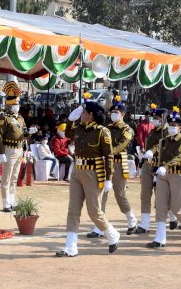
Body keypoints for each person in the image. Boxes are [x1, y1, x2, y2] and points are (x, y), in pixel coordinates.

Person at [55, 100, 120, 257]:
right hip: (77, 171)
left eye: (83, 112)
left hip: (93, 173)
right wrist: (70, 121)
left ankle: (111, 233)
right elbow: (68, 134)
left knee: (94, 211)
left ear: (90, 115)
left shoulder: (102, 132)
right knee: (73, 210)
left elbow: (108, 156)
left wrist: (108, 178)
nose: (81, 114)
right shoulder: (80, 128)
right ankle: (71, 247)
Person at [88, 97, 138, 238]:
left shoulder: (127, 129)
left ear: (123, 114)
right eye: (112, 112)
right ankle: (99, 227)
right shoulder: (107, 128)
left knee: (119, 194)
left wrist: (107, 153)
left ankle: (131, 220)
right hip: (104, 162)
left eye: (117, 112)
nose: (114, 114)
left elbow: (122, 144)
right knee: (100, 194)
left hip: (118, 163)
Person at [147, 107, 181, 248]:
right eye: (170, 125)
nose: (172, 128)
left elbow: (179, 157)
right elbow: (157, 149)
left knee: (176, 209)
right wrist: (150, 151)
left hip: (177, 175)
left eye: (174, 126)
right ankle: (160, 238)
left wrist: (165, 167)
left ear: (180, 127)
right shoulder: (164, 140)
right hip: (163, 176)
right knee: (160, 207)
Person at [0, 82, 26, 212]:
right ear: (9, 105)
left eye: (18, 104)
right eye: (14, 104)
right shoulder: (4, 118)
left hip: (19, 149)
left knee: (14, 178)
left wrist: (30, 131)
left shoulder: (20, 118)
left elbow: (23, 130)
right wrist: (1, 152)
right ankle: (5, 203)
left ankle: (12, 201)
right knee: (6, 178)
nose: (17, 106)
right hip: (8, 149)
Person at [138, 104, 168, 234]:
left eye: (157, 117)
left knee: (160, 197)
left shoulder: (166, 131)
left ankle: (163, 222)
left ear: (163, 118)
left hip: (159, 166)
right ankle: (145, 224)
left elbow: (161, 145)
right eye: (153, 117)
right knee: (145, 195)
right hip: (148, 164)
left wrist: (152, 150)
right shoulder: (153, 130)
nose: (154, 120)